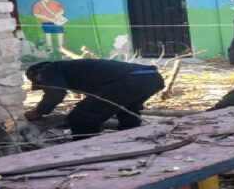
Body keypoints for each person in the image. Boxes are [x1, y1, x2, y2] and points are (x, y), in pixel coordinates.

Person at [24, 59, 165, 140]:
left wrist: (39, 112)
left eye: (37, 82)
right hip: (151, 77)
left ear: (36, 73)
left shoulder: (49, 69)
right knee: (127, 111)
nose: (43, 86)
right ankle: (131, 140)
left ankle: (87, 149)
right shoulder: (73, 70)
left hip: (133, 79)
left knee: (82, 116)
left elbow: (56, 94)